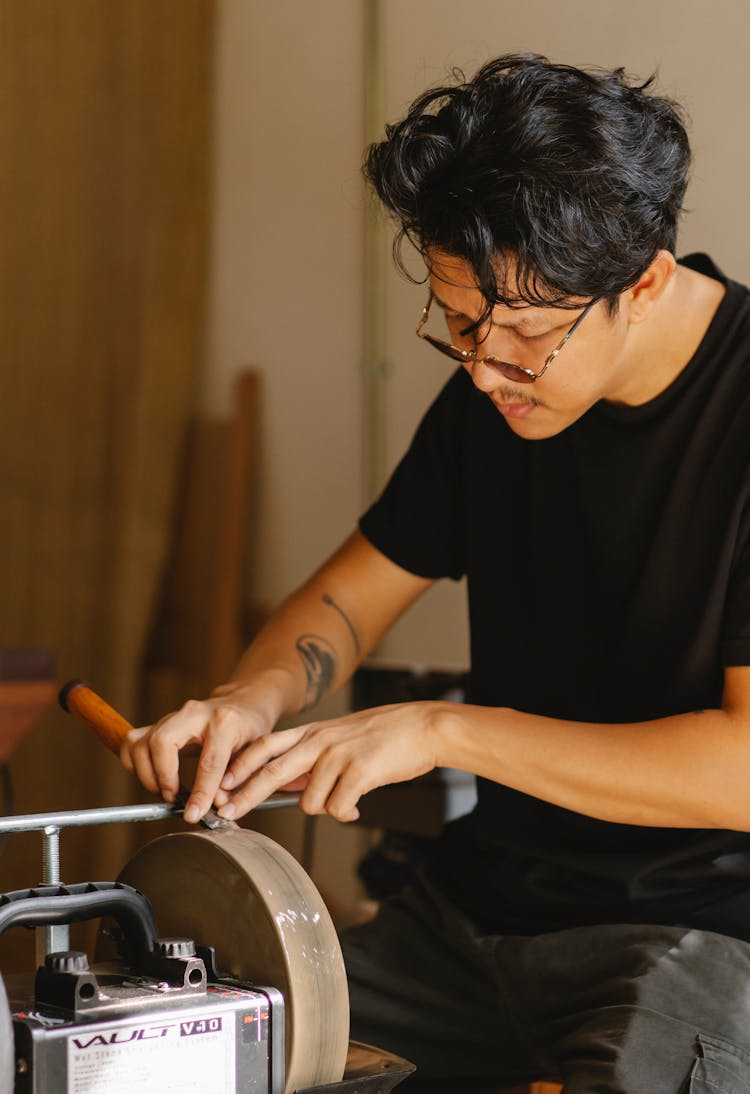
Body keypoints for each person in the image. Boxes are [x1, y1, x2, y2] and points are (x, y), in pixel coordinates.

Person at [121, 54, 750, 1091]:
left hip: (698, 932)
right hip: (472, 918)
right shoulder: (494, 388)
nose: (485, 370)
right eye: (457, 326)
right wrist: (249, 697)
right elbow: (343, 599)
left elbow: (739, 767)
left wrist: (440, 728)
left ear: (643, 281)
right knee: (183, 1046)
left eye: (525, 342)